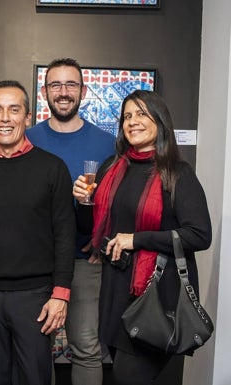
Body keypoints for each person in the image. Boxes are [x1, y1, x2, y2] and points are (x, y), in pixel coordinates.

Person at [72, 90, 212, 385]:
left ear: (160, 121)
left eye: (141, 114)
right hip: (115, 290)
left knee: (127, 376)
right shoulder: (113, 166)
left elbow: (200, 235)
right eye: (127, 116)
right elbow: (93, 229)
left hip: (155, 296)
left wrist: (136, 239)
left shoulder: (177, 173)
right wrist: (84, 202)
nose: (132, 121)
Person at [0, 80, 76, 385]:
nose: (5, 118)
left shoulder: (53, 168)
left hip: (36, 298)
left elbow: (65, 234)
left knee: (34, 378)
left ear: (28, 117)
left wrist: (60, 294)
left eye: (14, 110)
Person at [26, 58, 116, 385]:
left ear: (83, 90)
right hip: (38, 263)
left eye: (71, 85)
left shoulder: (108, 144)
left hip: (85, 263)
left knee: (87, 346)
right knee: (37, 346)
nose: (63, 92)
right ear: (45, 92)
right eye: (56, 85)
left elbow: (120, 202)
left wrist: (103, 240)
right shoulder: (26, 139)